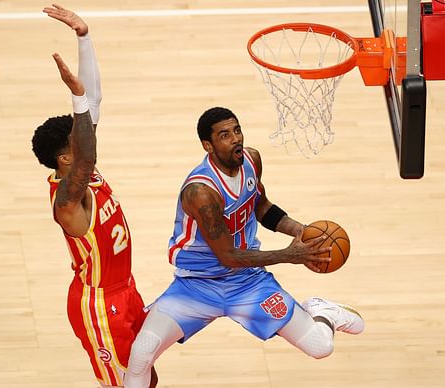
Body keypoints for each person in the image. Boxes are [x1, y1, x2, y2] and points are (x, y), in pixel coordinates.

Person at [124, 107, 364, 387]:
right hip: (196, 286)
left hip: (247, 283)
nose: (235, 139)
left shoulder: (251, 160)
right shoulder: (201, 192)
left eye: (236, 130)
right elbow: (228, 256)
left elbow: (262, 207)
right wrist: (290, 255)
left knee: (321, 347)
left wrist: (302, 232)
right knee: (141, 353)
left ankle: (324, 311)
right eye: (224, 135)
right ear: (208, 146)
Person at [31, 5, 157, 387]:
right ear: (66, 157)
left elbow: (94, 105)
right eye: (78, 135)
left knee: (146, 381)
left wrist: (83, 37)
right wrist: (77, 97)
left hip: (126, 290)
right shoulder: (67, 200)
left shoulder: (83, 169)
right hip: (100, 306)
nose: (87, 133)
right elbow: (89, 140)